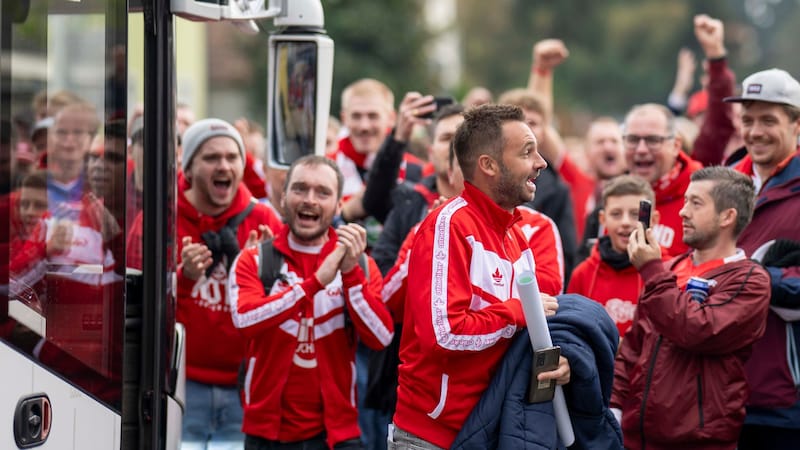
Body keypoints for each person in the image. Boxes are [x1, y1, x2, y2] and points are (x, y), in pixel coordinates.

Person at [391, 104, 570, 449]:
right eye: (527, 152)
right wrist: (518, 312)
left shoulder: (515, 234)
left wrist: (558, 363)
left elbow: (525, 335)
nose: (541, 163)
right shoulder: (449, 225)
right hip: (433, 437)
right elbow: (446, 334)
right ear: (488, 165)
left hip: (494, 430)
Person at [228, 155, 394, 450]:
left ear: (338, 205)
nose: (310, 200)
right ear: (283, 197)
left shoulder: (361, 265)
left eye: (323, 192)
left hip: (337, 436)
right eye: (300, 189)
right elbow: (244, 320)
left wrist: (351, 274)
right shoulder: (254, 259)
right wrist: (314, 283)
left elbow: (381, 337)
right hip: (267, 435)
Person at [612, 166, 771, 449]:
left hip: (698, 441)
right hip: (635, 437)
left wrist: (651, 269)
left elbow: (698, 330)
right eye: (685, 201)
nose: (683, 212)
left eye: (696, 203)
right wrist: (615, 406)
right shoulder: (669, 268)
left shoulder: (750, 280)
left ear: (727, 216)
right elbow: (634, 346)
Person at [172, 118, 282, 449]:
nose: (224, 165)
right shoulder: (161, 215)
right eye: (211, 158)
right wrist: (185, 278)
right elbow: (135, 302)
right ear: (189, 168)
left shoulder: (264, 220)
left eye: (232, 157)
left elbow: (289, 304)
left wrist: (259, 275)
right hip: (180, 386)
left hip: (243, 387)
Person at [722, 68, 800, 449]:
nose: (755, 132)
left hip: (783, 397)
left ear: (797, 124)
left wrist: (756, 277)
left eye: (769, 120)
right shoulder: (719, 185)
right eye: (748, 120)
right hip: (718, 392)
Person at [567, 175, 663, 339]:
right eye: (616, 214)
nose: (625, 222)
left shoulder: (664, 271)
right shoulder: (583, 274)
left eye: (635, 214)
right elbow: (570, 330)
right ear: (603, 219)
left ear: (653, 219)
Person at [497, 88, 578, 280]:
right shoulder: (485, 178)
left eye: (533, 123)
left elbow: (566, 257)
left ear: (544, 132)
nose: (526, 130)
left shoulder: (558, 190)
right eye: (519, 123)